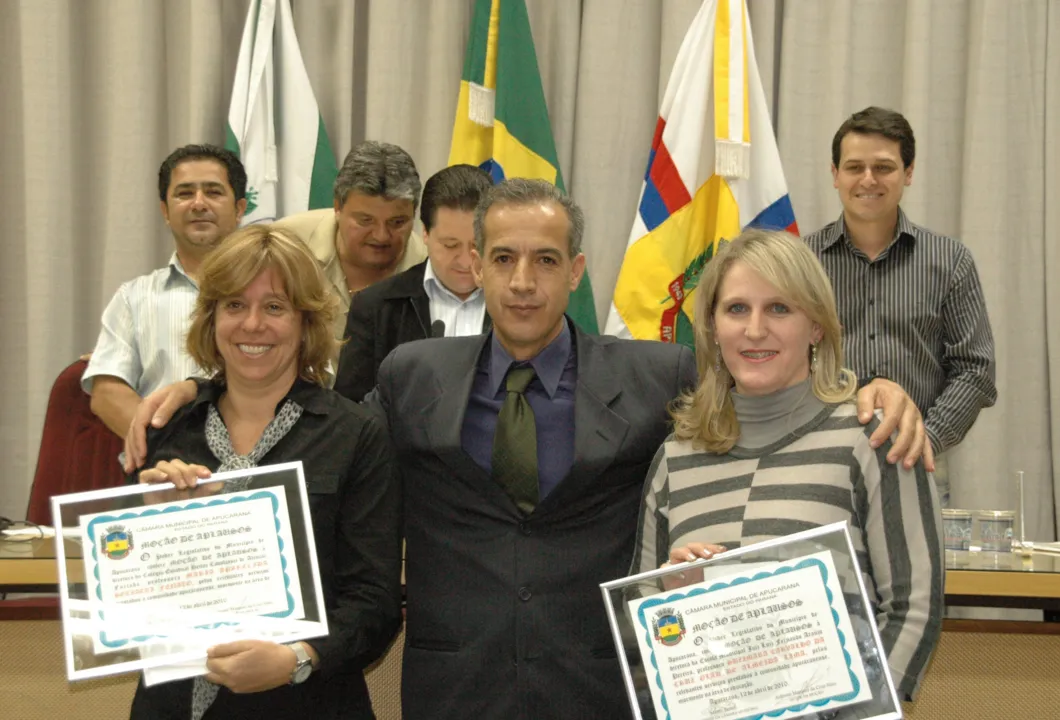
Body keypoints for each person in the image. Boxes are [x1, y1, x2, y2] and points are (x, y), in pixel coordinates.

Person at [125, 181, 930, 720]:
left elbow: (759, 383)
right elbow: (314, 438)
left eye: (546, 260)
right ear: (472, 263)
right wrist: (197, 396)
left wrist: (872, 388)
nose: (521, 281)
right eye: (502, 258)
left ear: (576, 270)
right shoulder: (413, 376)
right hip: (453, 690)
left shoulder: (660, 376)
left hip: (597, 691)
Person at [631, 228, 944, 702]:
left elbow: (914, 609)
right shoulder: (676, 457)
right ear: (713, 327)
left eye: (780, 308)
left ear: (816, 325)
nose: (755, 329)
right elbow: (644, 621)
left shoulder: (873, 437)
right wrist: (668, 599)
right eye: (736, 309)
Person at [128, 225, 401, 720]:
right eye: (234, 305)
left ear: (305, 321)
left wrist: (295, 659)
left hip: (308, 703)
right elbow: (123, 595)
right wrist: (146, 523)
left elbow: (374, 602)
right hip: (170, 706)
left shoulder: (356, 434)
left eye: (274, 307)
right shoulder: (166, 430)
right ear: (211, 319)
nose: (252, 324)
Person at [804, 106, 996, 492]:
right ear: (835, 174)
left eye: (884, 167)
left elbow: (975, 369)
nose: (868, 179)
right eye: (854, 167)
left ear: (908, 173)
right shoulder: (800, 263)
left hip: (917, 465)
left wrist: (925, 440)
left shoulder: (950, 261)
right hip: (818, 461)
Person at [83, 144, 247, 438]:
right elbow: (108, 393)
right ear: (165, 211)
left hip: (267, 467)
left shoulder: (278, 290)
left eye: (213, 192)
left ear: (239, 209)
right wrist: (169, 455)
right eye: (185, 193)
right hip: (166, 468)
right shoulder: (133, 298)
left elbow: (314, 377)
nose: (199, 204)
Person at [334, 164, 494, 402]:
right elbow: (351, 411)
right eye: (450, 245)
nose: (465, 261)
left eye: (476, 245)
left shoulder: (517, 301)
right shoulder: (376, 307)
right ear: (426, 234)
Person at [274, 140, 428, 350]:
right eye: (365, 221)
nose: (381, 236)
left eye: (397, 222)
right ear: (338, 207)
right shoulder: (282, 245)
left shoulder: (431, 269)